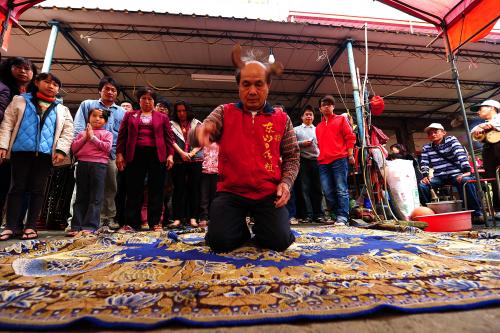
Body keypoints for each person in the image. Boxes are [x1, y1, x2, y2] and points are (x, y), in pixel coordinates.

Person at [196, 47, 299, 253]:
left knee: (279, 242)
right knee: (219, 242)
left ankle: (263, 227)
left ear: (268, 85)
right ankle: (241, 230)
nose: (252, 91)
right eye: (246, 84)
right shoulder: (224, 112)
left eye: (259, 84)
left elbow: (292, 157)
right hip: (231, 192)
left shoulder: (282, 118)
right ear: (238, 87)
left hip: (267, 193)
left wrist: (286, 184)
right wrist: (201, 132)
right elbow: (206, 129)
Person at [0, 73, 73, 240]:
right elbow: (7, 123)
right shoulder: (20, 100)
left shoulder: (62, 109)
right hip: (21, 151)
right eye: (47, 82)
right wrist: (2, 145)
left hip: (45, 155)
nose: (51, 86)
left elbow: (68, 132)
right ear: (37, 82)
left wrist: (61, 151)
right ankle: (10, 226)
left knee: (37, 190)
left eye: (55, 84)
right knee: (16, 188)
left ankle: (31, 226)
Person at [116, 87, 174, 232]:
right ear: (139, 100)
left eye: (150, 99)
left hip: (157, 155)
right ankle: (131, 223)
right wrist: (119, 154)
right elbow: (122, 137)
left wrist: (170, 155)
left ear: (154, 101)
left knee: (156, 189)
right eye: (144, 98)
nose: (147, 101)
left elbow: (169, 139)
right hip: (135, 154)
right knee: (134, 188)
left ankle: (155, 223)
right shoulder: (130, 116)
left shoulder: (163, 118)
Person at [73, 77, 125, 229]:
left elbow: (122, 136)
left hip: (110, 155)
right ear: (100, 90)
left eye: (113, 90)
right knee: (81, 191)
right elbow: (78, 128)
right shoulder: (88, 105)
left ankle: (106, 219)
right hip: (86, 155)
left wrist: (120, 154)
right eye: (106, 89)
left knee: (109, 188)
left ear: (117, 94)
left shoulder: (122, 112)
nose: (110, 92)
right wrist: (78, 149)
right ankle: (76, 221)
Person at [418, 123, 483, 223]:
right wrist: (425, 176)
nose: (433, 135)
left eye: (436, 132)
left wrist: (466, 171)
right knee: (422, 185)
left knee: (466, 181)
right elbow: (424, 162)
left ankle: (476, 213)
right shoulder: (426, 147)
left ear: (444, 133)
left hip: (456, 174)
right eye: (430, 133)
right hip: (440, 176)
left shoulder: (451, 140)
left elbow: (460, 154)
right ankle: (428, 213)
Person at [0, 57, 38, 222]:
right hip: (4, 141)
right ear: (9, 68)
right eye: (19, 67)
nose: (23, 71)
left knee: (20, 186)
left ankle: (15, 224)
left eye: (27, 68)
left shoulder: (35, 94)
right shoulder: (4, 87)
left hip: (23, 147)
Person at [68, 108, 112, 236]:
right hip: (82, 164)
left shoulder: (107, 133)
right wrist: (86, 137)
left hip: (99, 165)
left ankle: (90, 226)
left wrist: (93, 138)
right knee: (81, 195)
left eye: (101, 117)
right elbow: (74, 149)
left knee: (96, 196)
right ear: (89, 118)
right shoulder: (82, 133)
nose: (97, 119)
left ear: (105, 121)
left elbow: (107, 148)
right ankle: (76, 226)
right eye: (94, 116)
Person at [316, 95, 356, 225]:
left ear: (333, 106)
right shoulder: (318, 127)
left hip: (339, 158)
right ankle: (335, 214)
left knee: (341, 188)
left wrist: (350, 155)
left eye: (329, 104)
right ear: (320, 108)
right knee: (327, 190)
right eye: (324, 104)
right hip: (323, 161)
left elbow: (350, 137)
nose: (326, 106)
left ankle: (342, 216)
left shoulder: (341, 119)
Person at [169, 100, 203, 228]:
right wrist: (182, 153)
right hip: (179, 159)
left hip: (195, 160)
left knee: (194, 189)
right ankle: (177, 218)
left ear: (188, 110)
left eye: (184, 110)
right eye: (179, 111)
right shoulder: (171, 124)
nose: (181, 113)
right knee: (179, 189)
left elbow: (202, 140)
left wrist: (192, 153)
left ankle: (193, 218)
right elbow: (171, 141)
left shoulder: (197, 123)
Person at [294, 105, 324, 223]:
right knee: (304, 188)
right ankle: (307, 215)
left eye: (310, 114)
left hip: (317, 160)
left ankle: (319, 214)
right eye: (306, 114)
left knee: (317, 188)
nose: (308, 116)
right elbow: (292, 143)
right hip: (303, 161)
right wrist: (302, 143)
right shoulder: (296, 130)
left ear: (313, 117)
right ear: (302, 117)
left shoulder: (318, 129)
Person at [470, 99, 500, 217]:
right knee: (493, 180)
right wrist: (481, 127)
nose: (478, 112)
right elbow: (472, 131)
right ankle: (498, 209)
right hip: (489, 151)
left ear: (492, 108)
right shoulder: (482, 124)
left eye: (481, 108)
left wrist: (489, 126)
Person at [198, 142, 219, 227]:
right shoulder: (203, 140)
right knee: (204, 196)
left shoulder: (219, 141)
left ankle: (214, 217)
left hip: (216, 171)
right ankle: (203, 217)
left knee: (215, 196)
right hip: (204, 171)